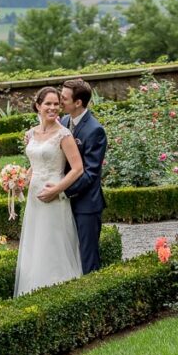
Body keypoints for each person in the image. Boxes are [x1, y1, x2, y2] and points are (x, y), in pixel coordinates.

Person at [13, 86, 84, 296]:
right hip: (34, 200)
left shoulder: (64, 134)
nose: (53, 108)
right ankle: (33, 289)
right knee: (35, 244)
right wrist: (19, 179)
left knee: (53, 244)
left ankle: (60, 292)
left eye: (56, 104)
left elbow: (78, 168)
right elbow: (34, 165)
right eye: (48, 104)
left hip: (54, 196)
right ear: (38, 106)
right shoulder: (30, 134)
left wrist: (58, 189)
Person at [59, 77, 107, 274]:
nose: (60, 101)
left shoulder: (95, 130)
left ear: (78, 102)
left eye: (64, 98)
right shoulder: (63, 121)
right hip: (63, 203)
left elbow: (90, 174)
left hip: (86, 204)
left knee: (88, 259)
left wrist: (62, 189)